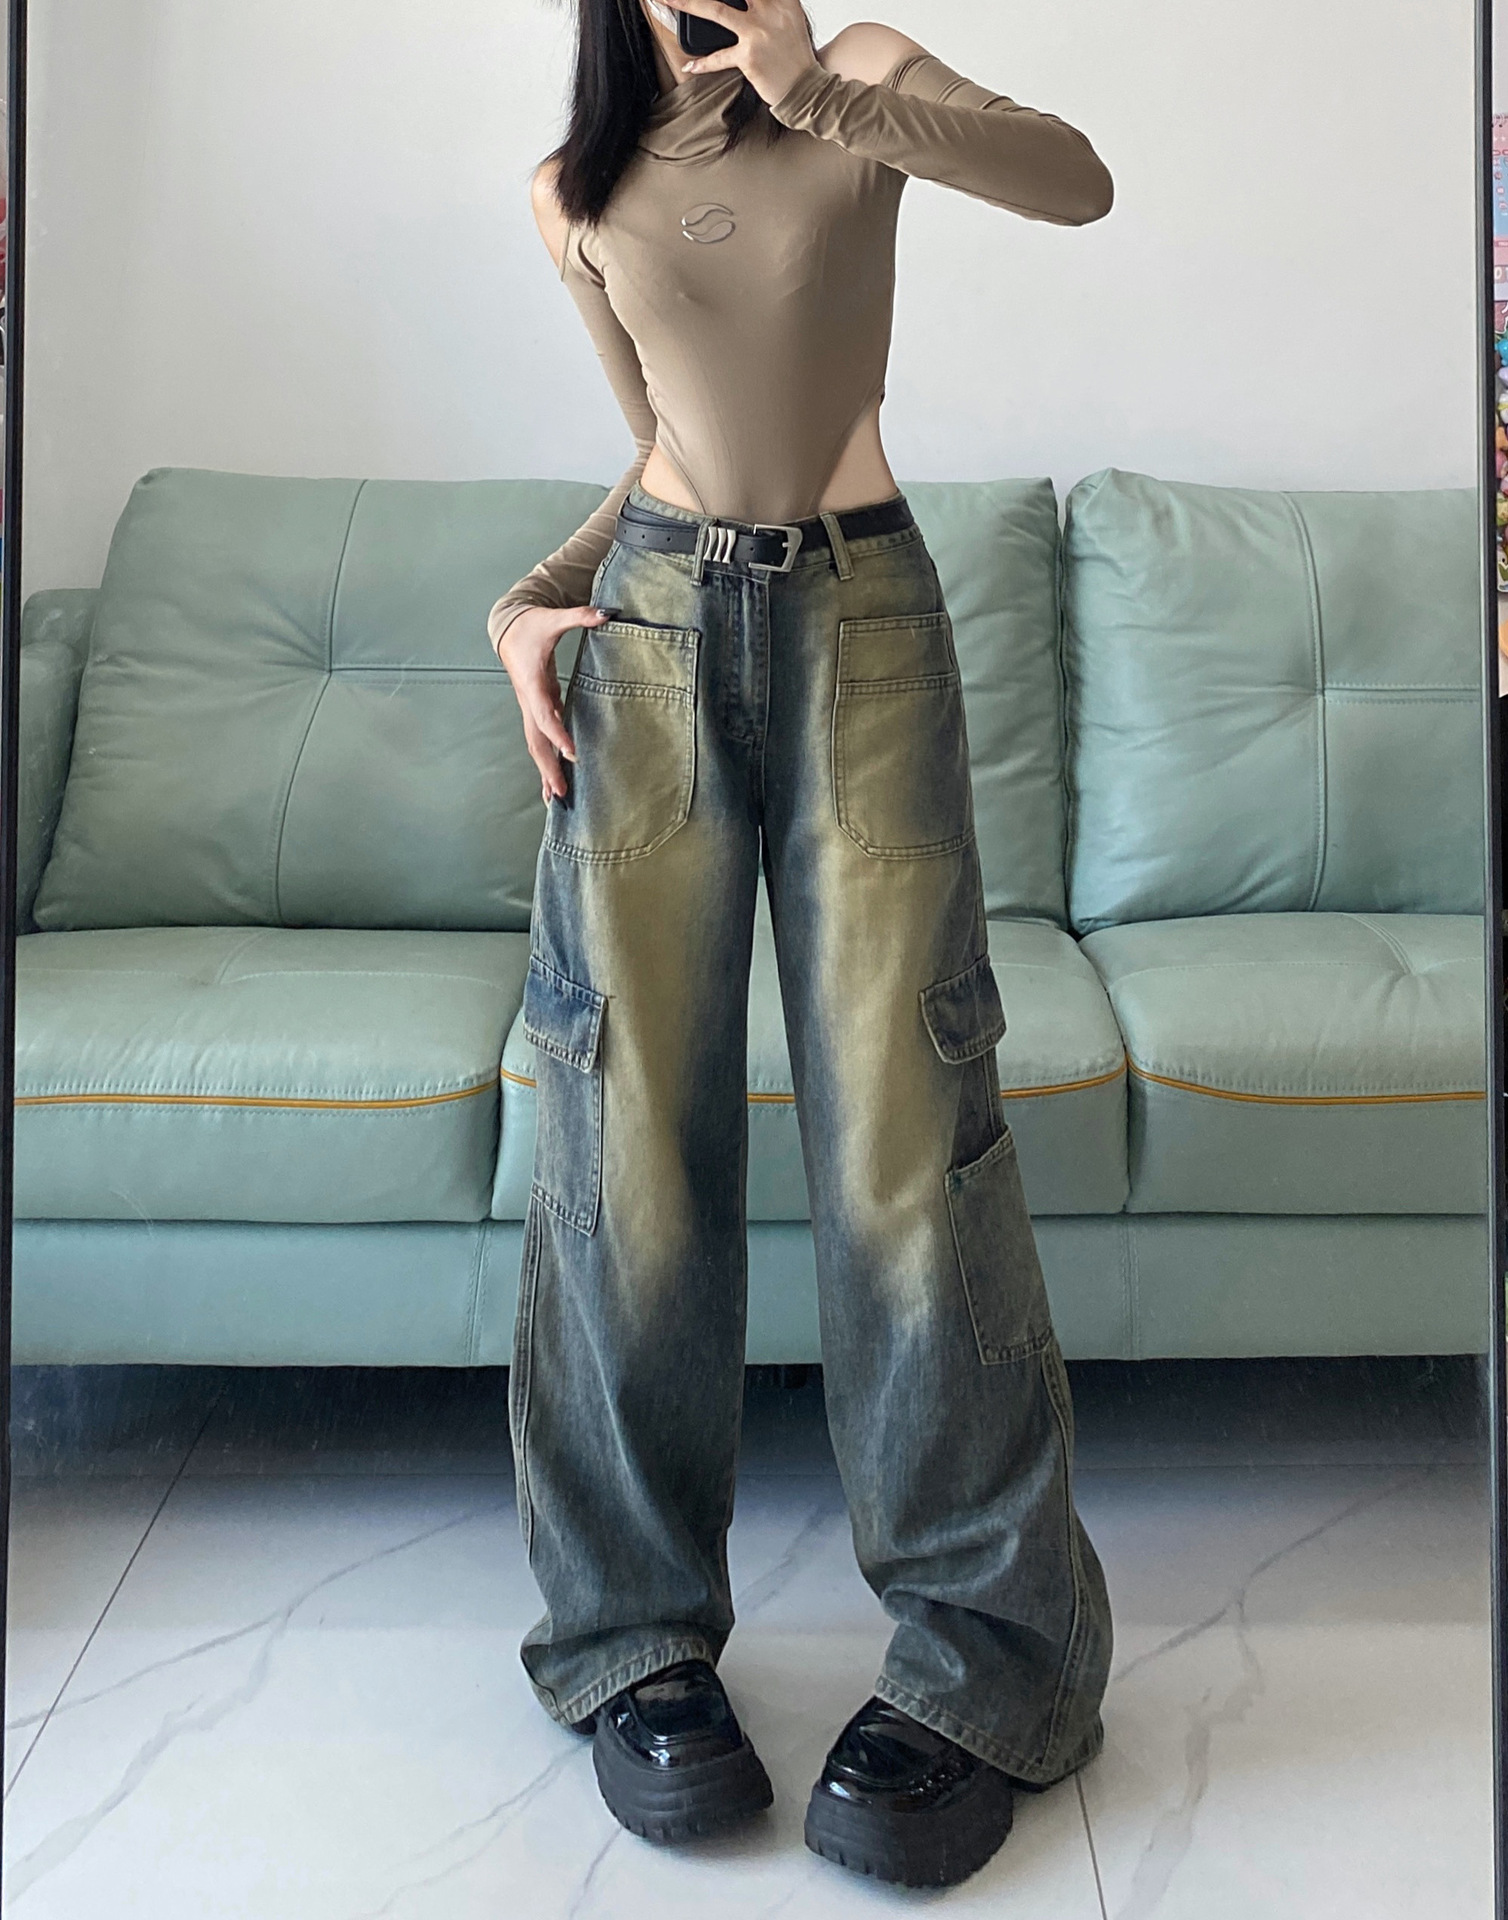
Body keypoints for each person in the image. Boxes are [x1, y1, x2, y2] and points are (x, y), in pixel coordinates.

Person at [488, 0, 1115, 1889]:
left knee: (911, 1146)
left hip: (865, 630)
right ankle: (631, 1640)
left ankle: (991, 1663)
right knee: (629, 1142)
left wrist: (808, 87)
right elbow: (660, 448)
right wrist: (529, 603)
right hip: (653, 645)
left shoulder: (866, 77)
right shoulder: (574, 186)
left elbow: (1076, 185)